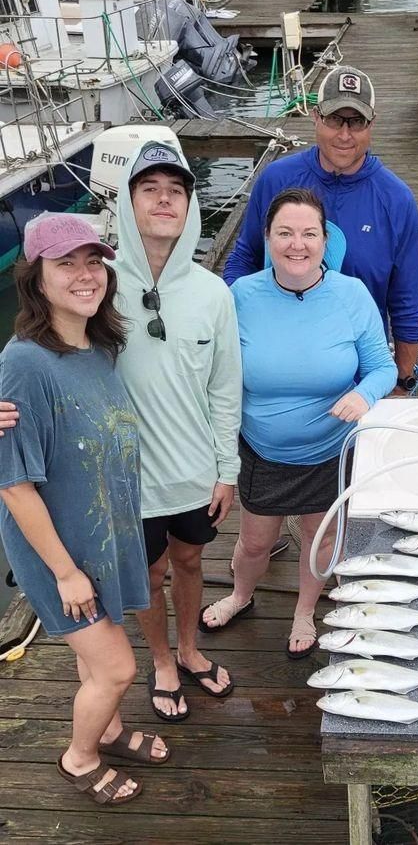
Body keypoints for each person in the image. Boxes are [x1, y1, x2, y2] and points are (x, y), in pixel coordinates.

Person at [0, 142, 243, 722]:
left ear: (191, 207)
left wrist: (226, 469)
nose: (164, 200)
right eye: (148, 189)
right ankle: (160, 660)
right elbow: (39, 355)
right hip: (124, 484)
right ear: (127, 203)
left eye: (176, 191)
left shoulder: (215, 294)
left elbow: (225, 389)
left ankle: (188, 649)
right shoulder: (98, 282)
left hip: (195, 472)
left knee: (189, 564)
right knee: (147, 573)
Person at [0, 214, 167, 806]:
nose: (84, 274)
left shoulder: (98, 347)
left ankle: (112, 728)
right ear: (35, 279)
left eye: (93, 261)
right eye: (65, 263)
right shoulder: (23, 364)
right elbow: (14, 484)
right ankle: (80, 757)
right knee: (118, 668)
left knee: (96, 658)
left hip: (99, 541)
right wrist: (66, 573)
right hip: (59, 555)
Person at [199, 188, 397, 657]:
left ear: (325, 240)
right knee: (253, 543)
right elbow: (210, 368)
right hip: (262, 452)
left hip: (331, 451)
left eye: (309, 233)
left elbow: (382, 367)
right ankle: (240, 596)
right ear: (267, 238)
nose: (297, 244)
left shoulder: (352, 295)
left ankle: (305, 610)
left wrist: (363, 394)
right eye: (284, 233)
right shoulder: (241, 295)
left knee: (320, 536)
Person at [222, 65, 418, 395]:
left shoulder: (397, 201)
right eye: (335, 120)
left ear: (371, 124)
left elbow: (407, 301)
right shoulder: (275, 179)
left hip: (358, 380)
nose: (344, 135)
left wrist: (401, 381)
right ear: (316, 117)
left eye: (356, 122)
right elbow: (245, 257)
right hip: (273, 367)